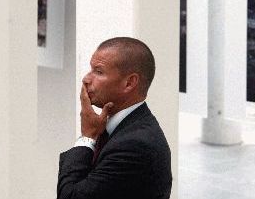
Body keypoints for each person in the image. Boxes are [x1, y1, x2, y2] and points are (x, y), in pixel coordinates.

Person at [57, 37, 172, 199]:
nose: (86, 79)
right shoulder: (123, 127)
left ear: (129, 83)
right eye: (91, 69)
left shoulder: (135, 145)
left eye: (98, 72)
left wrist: (87, 138)